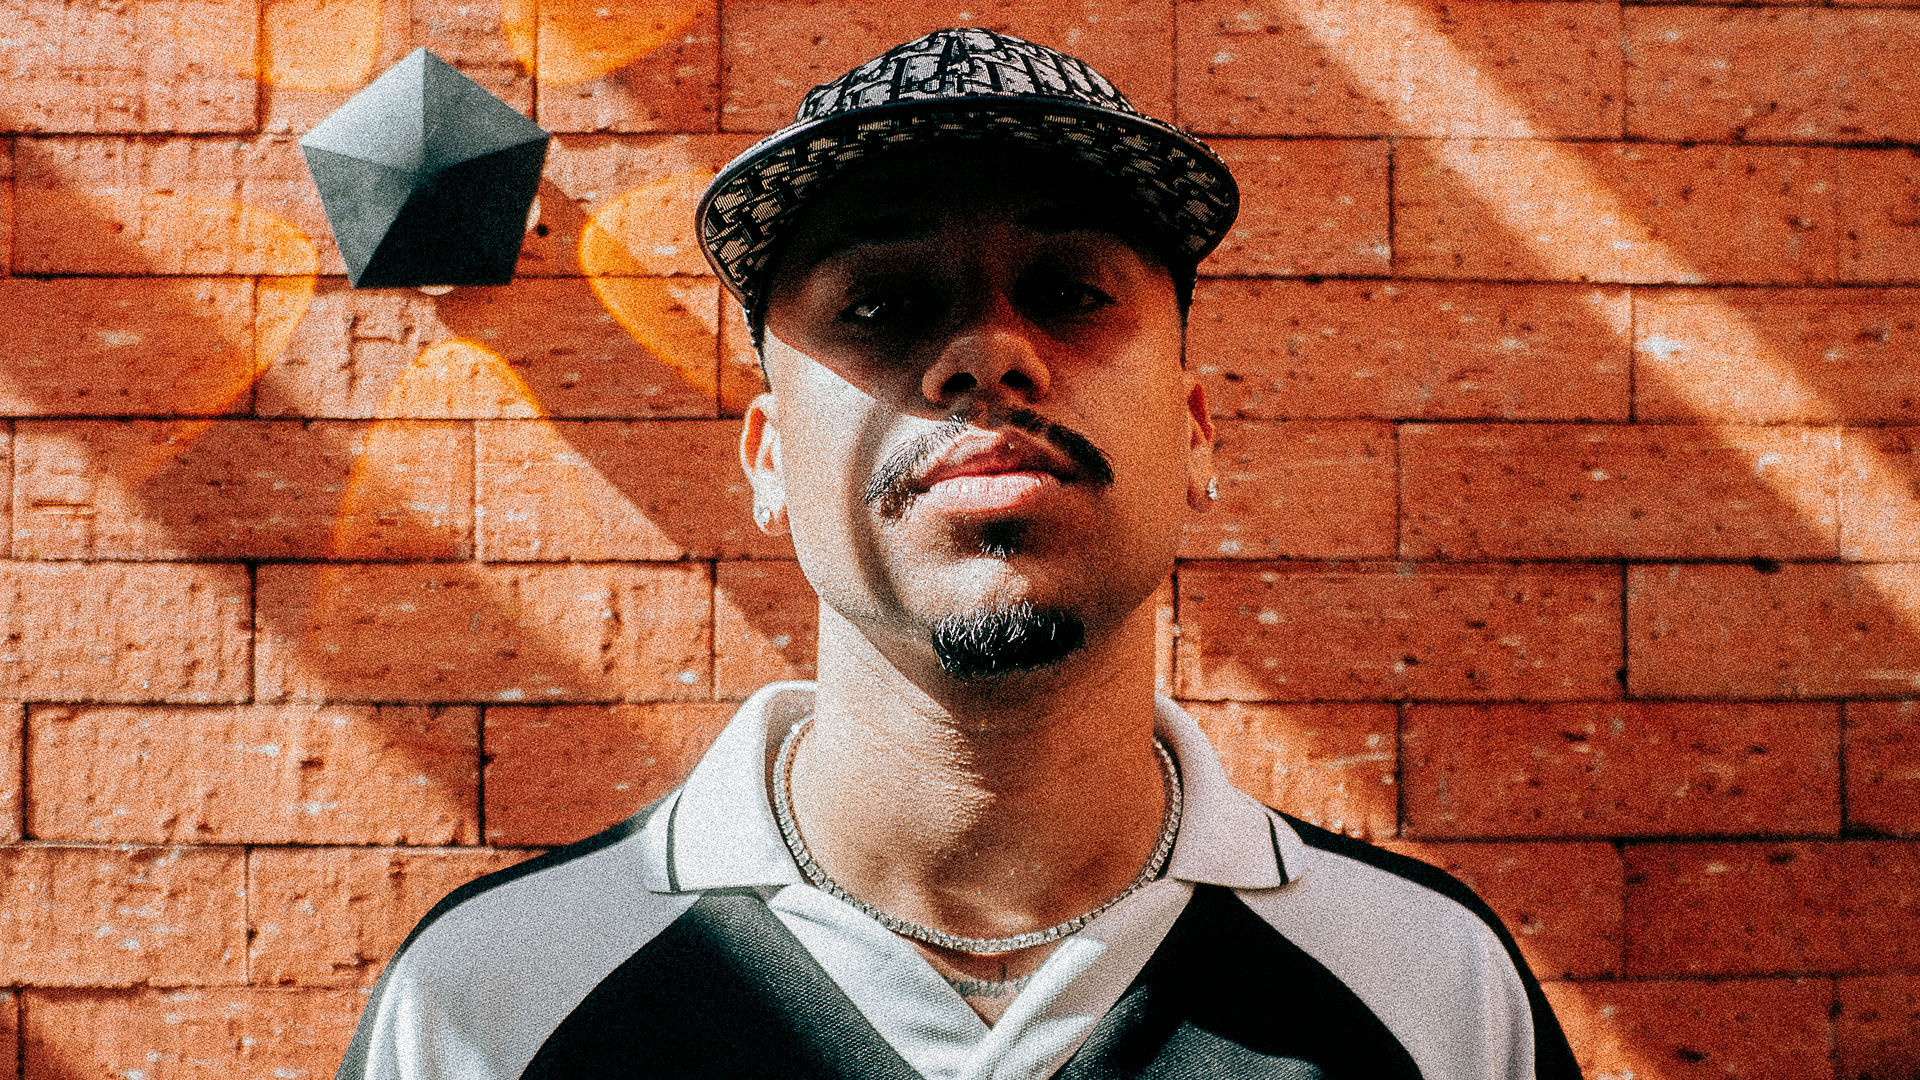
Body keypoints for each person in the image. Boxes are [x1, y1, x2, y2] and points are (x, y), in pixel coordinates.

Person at [335, 28, 1582, 1080]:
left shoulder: (1434, 992)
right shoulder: (489, 1006)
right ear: (768, 460)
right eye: (882, 303)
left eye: (1072, 289)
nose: (988, 351)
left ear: (1196, 430)